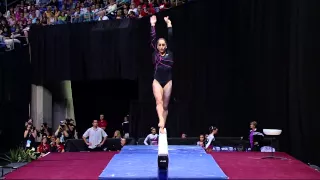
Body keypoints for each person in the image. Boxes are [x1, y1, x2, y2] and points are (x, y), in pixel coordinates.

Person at [150, 15, 173, 134]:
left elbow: (171, 37)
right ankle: (161, 121)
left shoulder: (170, 52)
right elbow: (153, 38)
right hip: (157, 80)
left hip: (168, 81)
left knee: (165, 106)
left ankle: (163, 124)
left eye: (163, 45)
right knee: (158, 101)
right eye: (159, 45)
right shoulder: (155, 54)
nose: (161, 47)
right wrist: (153, 25)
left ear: (166, 46)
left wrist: (169, 24)